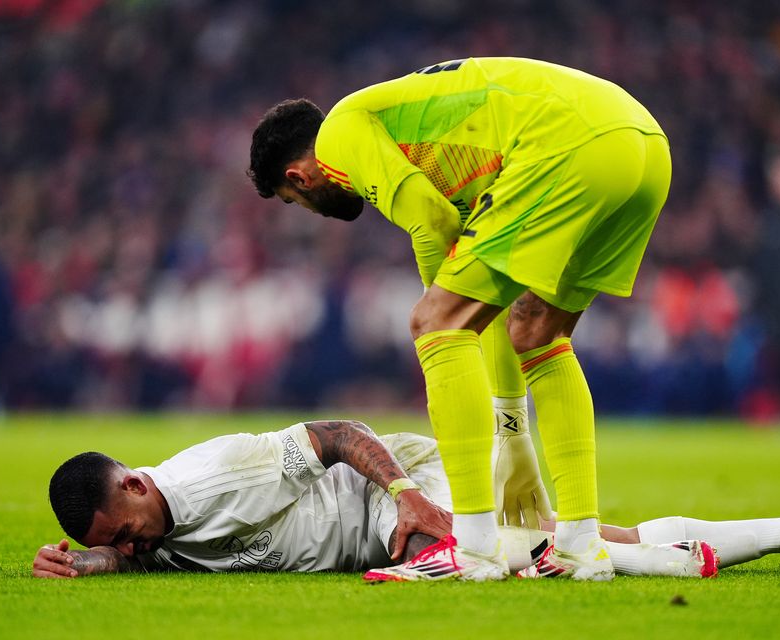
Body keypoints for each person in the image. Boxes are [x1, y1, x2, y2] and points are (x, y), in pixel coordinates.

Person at [247, 57, 672, 580]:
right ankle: (582, 545)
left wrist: (439, 314)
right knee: (538, 333)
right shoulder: (441, 150)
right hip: (640, 143)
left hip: (566, 146)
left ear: (298, 177)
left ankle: (472, 548)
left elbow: (430, 222)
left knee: (436, 322)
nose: (309, 208)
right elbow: (482, 294)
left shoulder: (339, 134)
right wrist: (512, 431)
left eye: (297, 201)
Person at [32, 420, 780, 579]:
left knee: (528, 554)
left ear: (139, 485)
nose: (139, 549)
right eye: (126, 543)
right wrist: (102, 557)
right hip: (384, 526)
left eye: (130, 532)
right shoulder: (147, 532)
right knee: (592, 534)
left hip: (399, 501)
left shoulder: (219, 472)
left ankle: (677, 562)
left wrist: (404, 497)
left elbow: (336, 433)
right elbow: (137, 551)